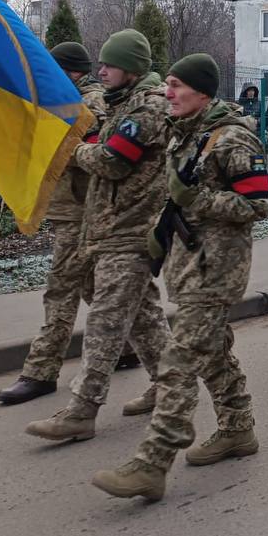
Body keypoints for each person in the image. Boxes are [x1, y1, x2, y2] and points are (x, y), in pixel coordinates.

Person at [92, 54, 268, 502]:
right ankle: (237, 429)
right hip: (189, 264)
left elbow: (256, 206)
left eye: (176, 85)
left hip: (216, 268)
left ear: (203, 92)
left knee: (178, 362)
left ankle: (153, 462)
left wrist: (198, 198)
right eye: (167, 83)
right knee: (213, 354)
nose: (168, 92)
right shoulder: (185, 134)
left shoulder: (232, 140)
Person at [26, 29, 171, 442]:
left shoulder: (148, 108)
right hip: (115, 226)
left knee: (106, 321)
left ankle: (82, 409)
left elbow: (111, 162)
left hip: (132, 230)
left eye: (109, 64)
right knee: (143, 317)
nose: (100, 70)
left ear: (131, 67)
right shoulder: (123, 102)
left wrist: (70, 149)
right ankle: (170, 384)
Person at [0, 43, 152, 405]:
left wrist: (62, 151)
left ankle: (40, 370)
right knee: (92, 288)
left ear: (68, 71)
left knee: (61, 288)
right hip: (70, 207)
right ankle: (127, 348)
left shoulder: (89, 103)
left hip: (83, 211)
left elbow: (101, 156)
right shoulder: (66, 98)